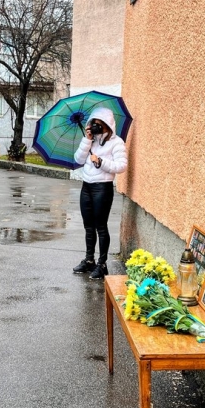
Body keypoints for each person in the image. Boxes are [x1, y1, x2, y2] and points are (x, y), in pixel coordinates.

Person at [72, 107, 128, 280]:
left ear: (107, 125)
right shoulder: (91, 140)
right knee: (88, 226)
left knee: (100, 227)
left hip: (102, 188)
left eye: (98, 124)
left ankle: (102, 264)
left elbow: (121, 166)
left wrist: (101, 161)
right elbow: (78, 160)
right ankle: (89, 260)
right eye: (93, 123)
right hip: (86, 186)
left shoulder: (117, 142)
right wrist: (86, 140)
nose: (94, 127)